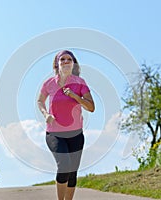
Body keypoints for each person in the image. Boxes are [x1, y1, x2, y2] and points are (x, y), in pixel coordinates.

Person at [37, 50, 95, 200]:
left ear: (73, 63)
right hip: (54, 133)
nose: (66, 61)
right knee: (64, 165)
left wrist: (75, 96)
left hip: (76, 133)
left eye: (69, 59)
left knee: (72, 172)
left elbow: (91, 107)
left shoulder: (80, 83)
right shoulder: (49, 83)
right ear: (57, 64)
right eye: (62, 59)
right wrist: (45, 114)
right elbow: (40, 100)